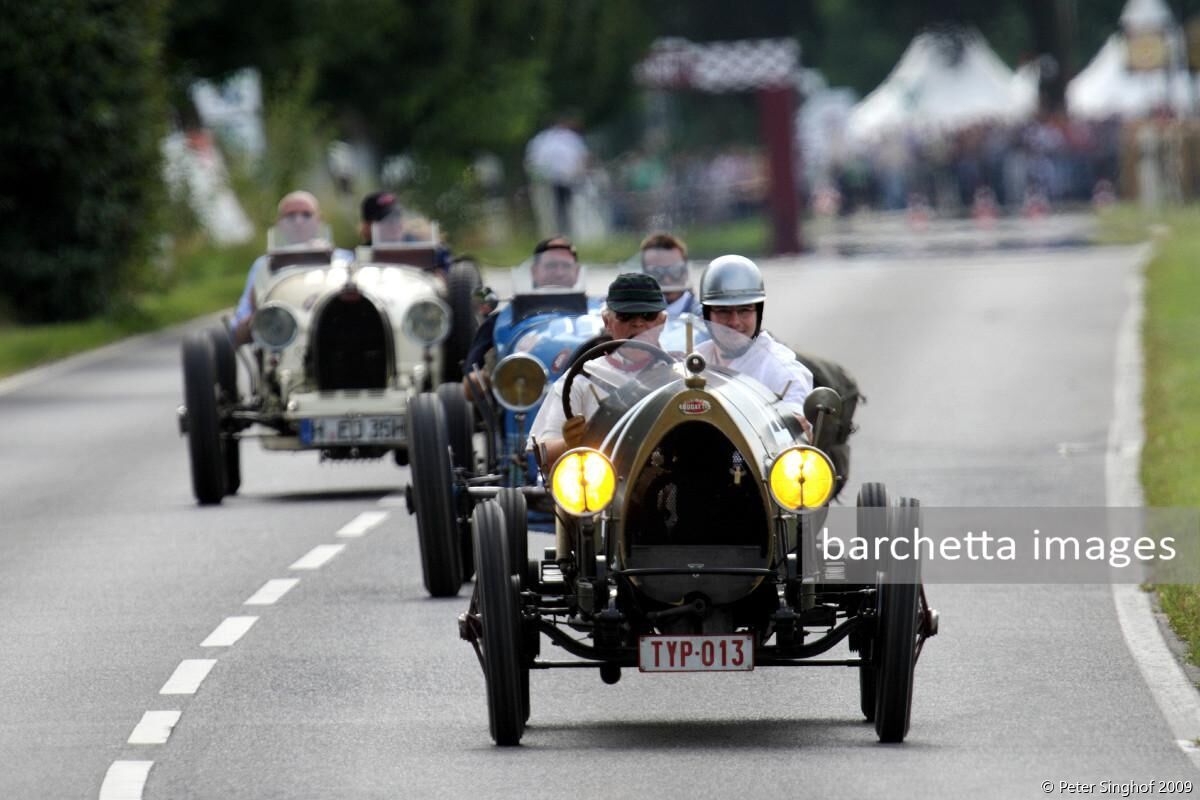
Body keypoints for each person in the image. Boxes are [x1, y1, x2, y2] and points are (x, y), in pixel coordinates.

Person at [528, 272, 668, 466]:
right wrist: (568, 445)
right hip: (600, 487)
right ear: (607, 322)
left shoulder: (678, 376)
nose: (638, 323)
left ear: (662, 322)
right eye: (626, 316)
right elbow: (541, 455)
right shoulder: (581, 379)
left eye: (648, 315)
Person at [462, 235, 581, 394]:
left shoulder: (599, 316)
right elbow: (469, 384)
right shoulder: (502, 320)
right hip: (522, 398)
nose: (559, 273)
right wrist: (491, 375)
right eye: (551, 265)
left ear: (577, 271)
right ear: (534, 271)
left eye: (566, 266)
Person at [694, 255, 812, 413]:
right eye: (723, 311)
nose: (734, 322)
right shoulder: (691, 364)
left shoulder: (784, 372)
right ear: (706, 315)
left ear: (758, 313)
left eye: (744, 310)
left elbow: (797, 420)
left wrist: (795, 420)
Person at [230, 191, 350, 345]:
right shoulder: (264, 265)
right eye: (290, 216)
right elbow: (240, 327)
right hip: (283, 335)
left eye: (306, 215)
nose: (298, 221)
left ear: (319, 220)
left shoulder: (343, 259)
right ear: (279, 223)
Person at [525, 115, 589, 237]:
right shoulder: (570, 139)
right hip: (564, 178)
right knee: (565, 208)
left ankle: (554, 234)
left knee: (550, 210)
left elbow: (531, 160)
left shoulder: (540, 139)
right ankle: (566, 233)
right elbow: (581, 157)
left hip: (548, 179)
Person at [358, 190, 452, 272]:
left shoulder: (423, 249)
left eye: (398, 217)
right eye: (386, 220)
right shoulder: (363, 257)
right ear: (368, 226)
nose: (396, 224)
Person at [629, 232, 703, 318]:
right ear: (644, 275)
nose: (667, 280)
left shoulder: (704, 317)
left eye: (675, 271)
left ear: (685, 272)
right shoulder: (635, 319)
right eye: (656, 273)